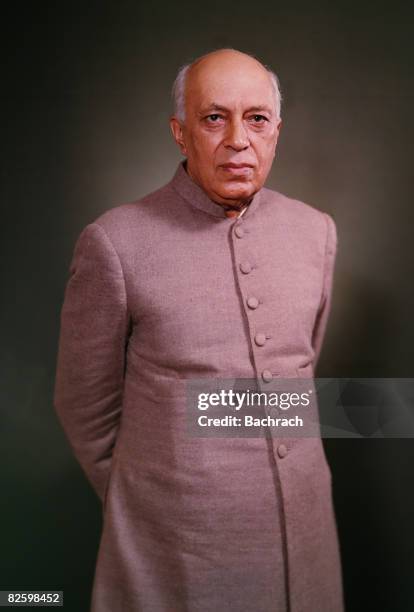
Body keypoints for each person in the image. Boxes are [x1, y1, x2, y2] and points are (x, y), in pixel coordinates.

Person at [54, 48, 344, 612]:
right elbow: (83, 406)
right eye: (215, 117)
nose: (239, 138)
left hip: (307, 537)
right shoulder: (115, 242)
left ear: (277, 131)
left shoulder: (317, 232)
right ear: (180, 133)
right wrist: (149, 500)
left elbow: (298, 375)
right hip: (175, 550)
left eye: (256, 119)